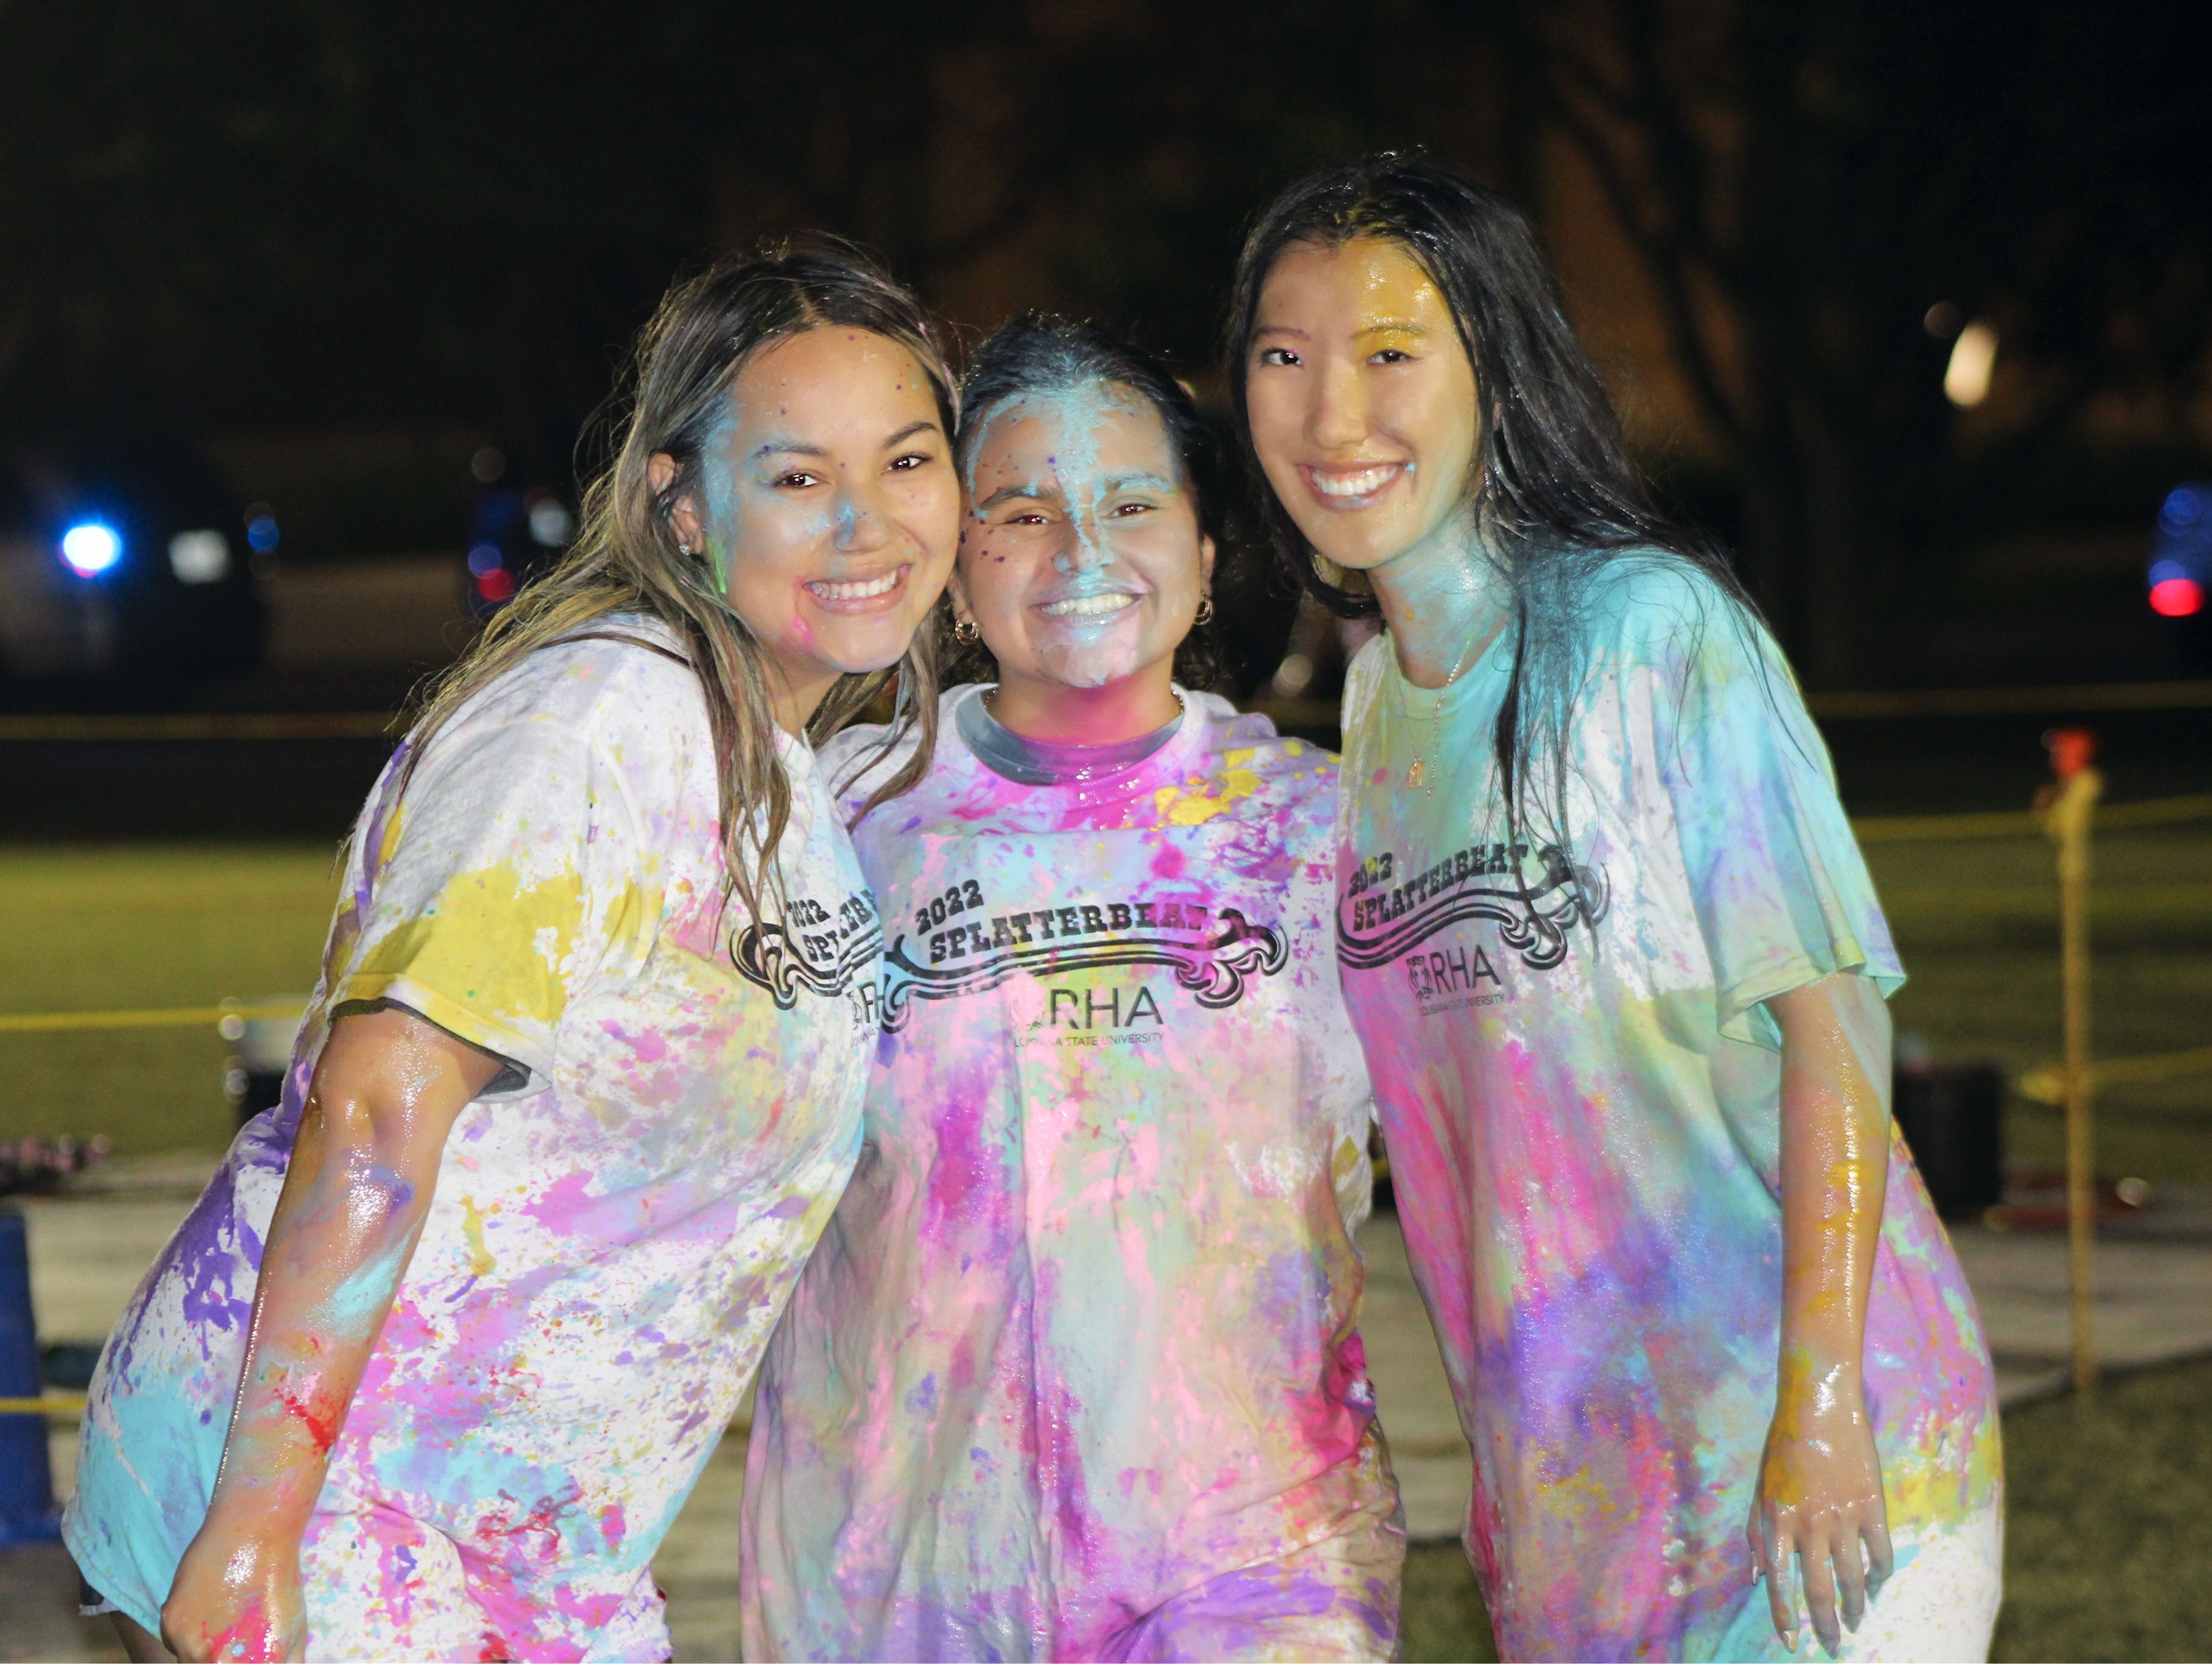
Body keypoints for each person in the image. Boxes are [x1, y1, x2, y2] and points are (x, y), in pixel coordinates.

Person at [62, 237, 963, 1663]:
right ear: (682, 510)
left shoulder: (780, 767)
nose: (867, 523)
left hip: (526, 1535)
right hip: (349, 1507)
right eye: (798, 477)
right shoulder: (595, 726)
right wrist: (255, 1526)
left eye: (907, 462)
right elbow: (371, 1106)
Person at [1227, 153, 2004, 1662]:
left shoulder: (1650, 631)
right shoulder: (1377, 708)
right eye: (1282, 355)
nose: (1330, 414)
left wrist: (1822, 1397)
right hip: (1581, 1510)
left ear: (1495, 372)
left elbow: (1828, 1017)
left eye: (1390, 352)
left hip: (1817, 1471)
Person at [743, 315, 1405, 1663]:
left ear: (1207, 551)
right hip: (898, 1575)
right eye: (1022, 510)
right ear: (949, 557)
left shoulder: (1329, 830)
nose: (1083, 552)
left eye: (1130, 503)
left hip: (1255, 1566)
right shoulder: (833, 823)